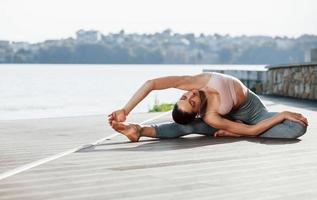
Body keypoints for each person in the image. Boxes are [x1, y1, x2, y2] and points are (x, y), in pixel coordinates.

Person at [107, 72, 308, 142]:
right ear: (198, 112)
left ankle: (234, 132)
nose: (192, 94)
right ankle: (138, 130)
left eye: (185, 96)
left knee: (297, 127)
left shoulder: (197, 81)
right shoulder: (210, 116)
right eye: (192, 102)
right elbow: (251, 131)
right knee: (189, 127)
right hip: (235, 123)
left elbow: (151, 83)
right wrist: (281, 114)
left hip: (255, 114)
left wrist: (126, 109)